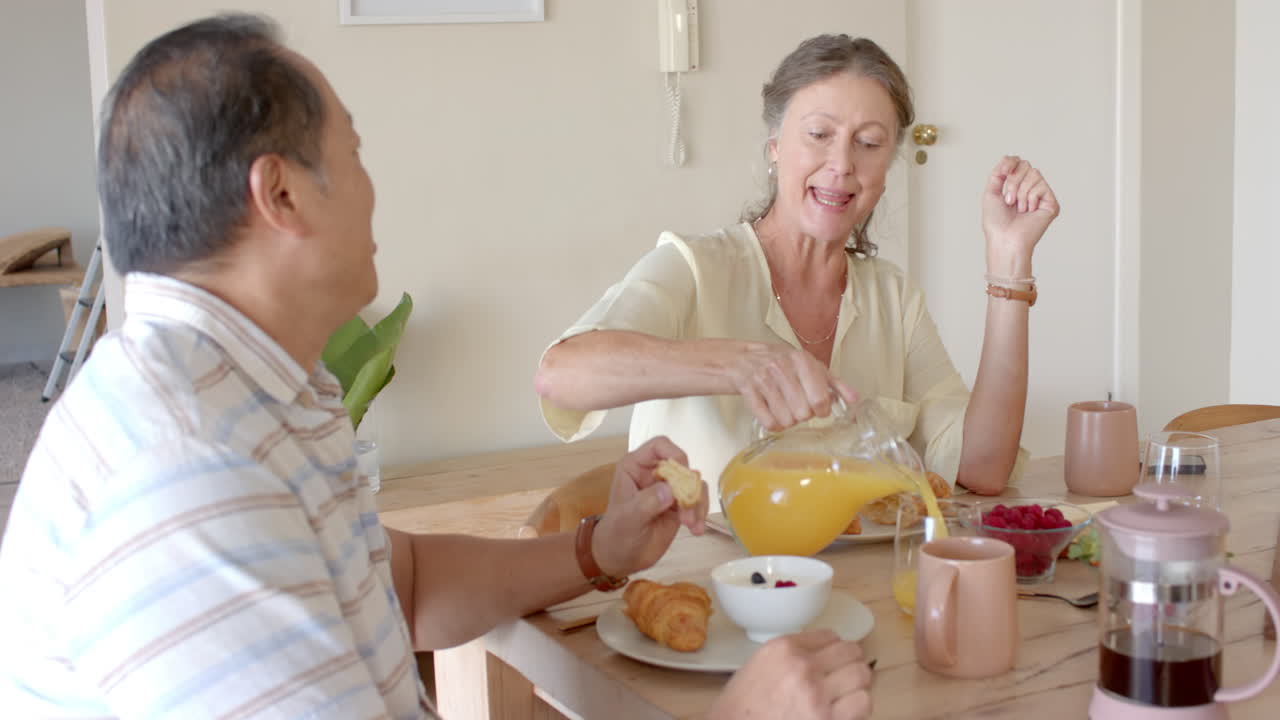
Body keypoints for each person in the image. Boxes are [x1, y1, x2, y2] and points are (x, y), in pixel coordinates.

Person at [0, 15, 873, 720]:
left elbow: (401, 590)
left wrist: (596, 551)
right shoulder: (187, 468)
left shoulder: (252, 391)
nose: (374, 186)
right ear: (282, 195)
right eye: (356, 152)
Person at [536, 34, 1058, 503]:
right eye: (818, 134)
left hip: (854, 600)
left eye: (869, 143)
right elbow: (562, 375)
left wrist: (1009, 261)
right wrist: (735, 364)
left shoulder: (893, 299)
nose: (842, 164)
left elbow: (983, 467)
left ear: (886, 167)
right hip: (699, 587)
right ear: (775, 147)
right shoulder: (694, 267)